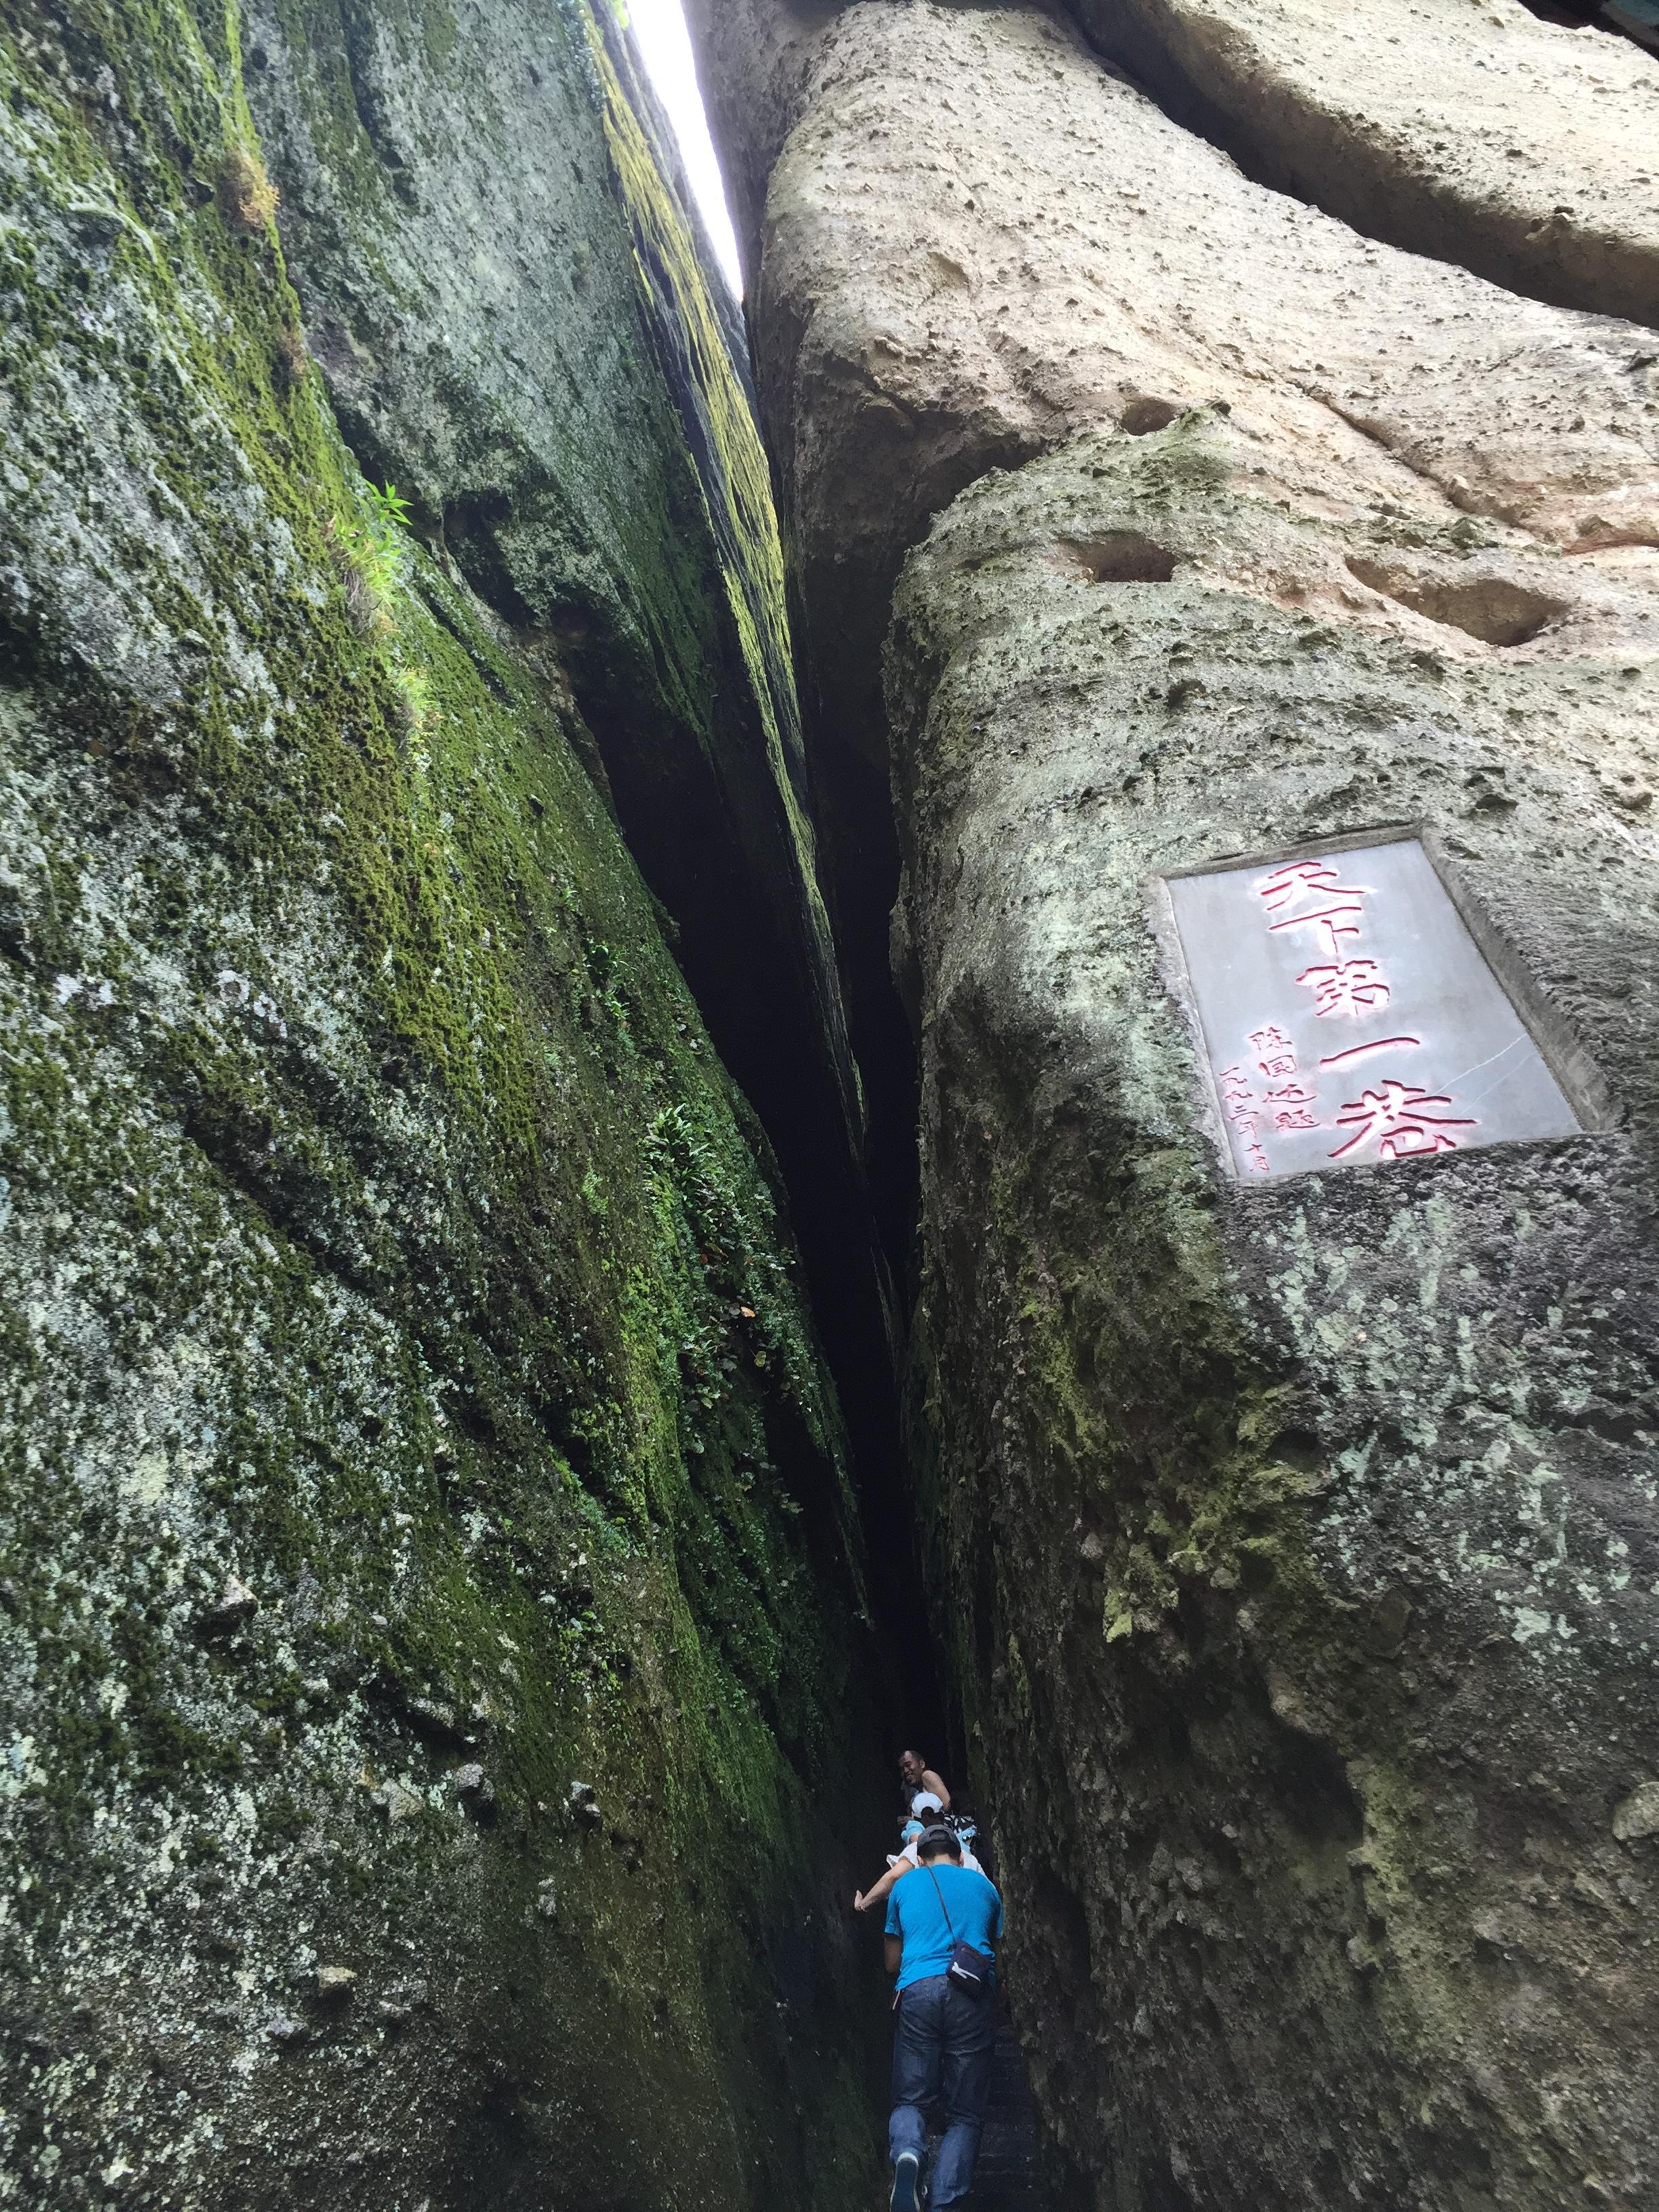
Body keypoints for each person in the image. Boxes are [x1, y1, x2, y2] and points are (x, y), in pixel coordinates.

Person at [884, 1825, 1003, 2212]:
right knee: (965, 2114)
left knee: (911, 2099)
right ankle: (945, 2201)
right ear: (959, 1855)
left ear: (920, 1858)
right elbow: (994, 1949)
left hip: (917, 1989)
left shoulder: (905, 1887)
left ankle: (908, 2154)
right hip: (972, 1994)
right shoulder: (985, 1889)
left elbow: (891, 1963)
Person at [854, 1809, 983, 1914]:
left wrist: (863, 1904)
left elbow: (894, 1876)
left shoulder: (917, 1849)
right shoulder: (970, 1860)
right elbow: (990, 1895)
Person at [899, 1747, 951, 1816]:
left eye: (908, 1765)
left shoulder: (927, 1775)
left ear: (922, 1764)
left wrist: (914, 1820)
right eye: (902, 1769)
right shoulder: (916, 1789)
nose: (905, 1771)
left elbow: (946, 1806)